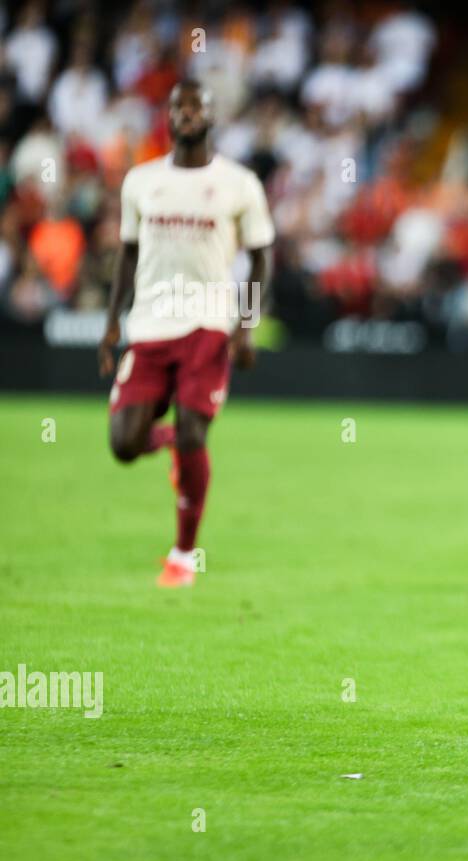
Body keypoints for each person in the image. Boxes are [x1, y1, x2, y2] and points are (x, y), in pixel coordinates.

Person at [98, 79, 274, 587]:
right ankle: (173, 442)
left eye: (196, 106)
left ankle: (183, 555)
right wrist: (113, 321)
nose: (187, 114)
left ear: (213, 116)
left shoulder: (239, 183)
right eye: (179, 107)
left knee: (197, 429)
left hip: (207, 324)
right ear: (169, 116)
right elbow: (128, 253)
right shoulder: (141, 181)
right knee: (123, 443)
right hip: (150, 324)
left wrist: (246, 324)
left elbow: (261, 255)